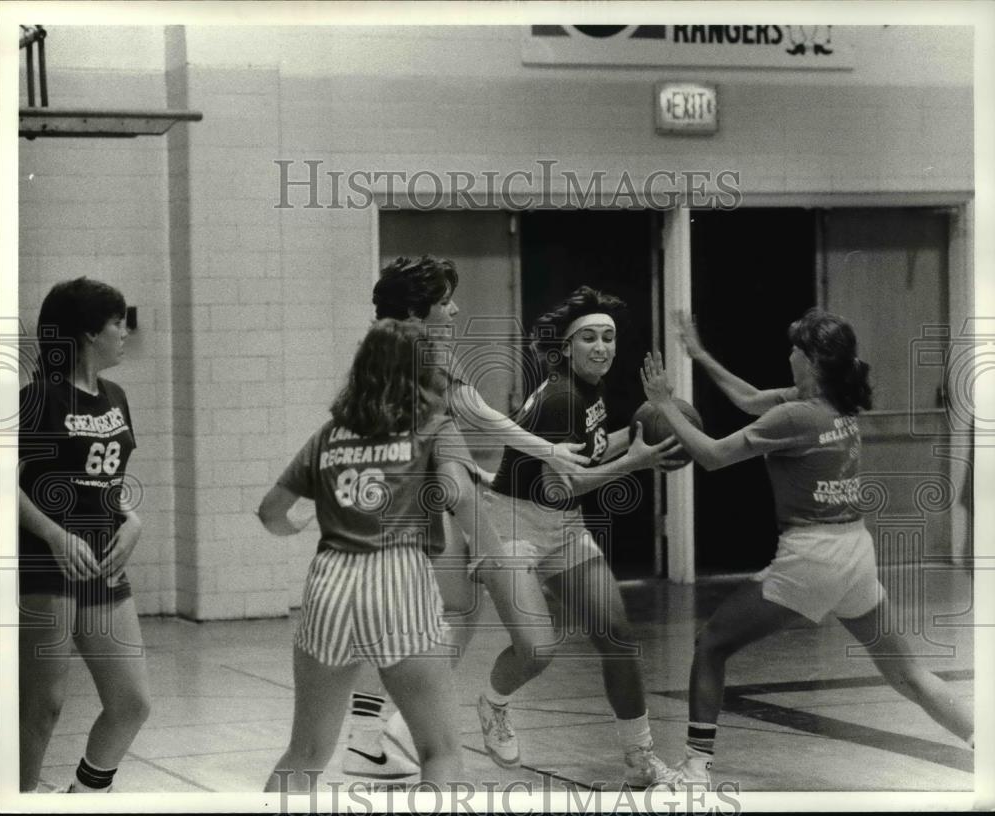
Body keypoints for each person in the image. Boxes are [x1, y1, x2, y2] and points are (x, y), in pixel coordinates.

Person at [640, 309, 975, 790]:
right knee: (908, 674)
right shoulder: (833, 400)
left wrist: (664, 404)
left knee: (712, 645)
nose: (789, 353)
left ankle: (694, 771)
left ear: (813, 360)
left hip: (812, 557)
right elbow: (750, 398)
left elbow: (712, 457)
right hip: (856, 553)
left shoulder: (796, 414)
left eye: (796, 348)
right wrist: (700, 355)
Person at [343, 256, 593, 779]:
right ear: (417, 310)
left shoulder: (375, 351)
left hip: (393, 509)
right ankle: (412, 728)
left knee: (446, 613)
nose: (455, 309)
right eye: (446, 301)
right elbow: (479, 414)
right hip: (435, 516)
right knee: (497, 628)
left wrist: (461, 472)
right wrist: (546, 453)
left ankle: (372, 736)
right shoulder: (422, 351)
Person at [259, 318, 509, 792]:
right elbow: (459, 492)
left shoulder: (330, 435)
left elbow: (271, 511)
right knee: (440, 751)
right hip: (397, 579)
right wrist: (494, 560)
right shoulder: (434, 427)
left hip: (329, 583)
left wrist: (293, 526)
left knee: (306, 751)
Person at [476, 285, 684, 789]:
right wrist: (634, 461)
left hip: (562, 524)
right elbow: (559, 484)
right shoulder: (563, 398)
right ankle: (493, 704)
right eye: (588, 338)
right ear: (567, 347)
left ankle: (640, 759)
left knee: (618, 637)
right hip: (511, 526)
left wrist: (642, 424)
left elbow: (586, 452)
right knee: (537, 651)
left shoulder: (587, 387)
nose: (601, 347)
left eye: (608, 338)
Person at [17, 278, 151, 793]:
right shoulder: (38, 399)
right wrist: (53, 534)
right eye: (117, 322)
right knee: (43, 708)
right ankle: (21, 800)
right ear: (88, 333)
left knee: (131, 703)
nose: (125, 331)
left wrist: (131, 519)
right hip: (44, 563)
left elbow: (105, 485)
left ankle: (83, 797)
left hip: (102, 564)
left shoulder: (116, 397)